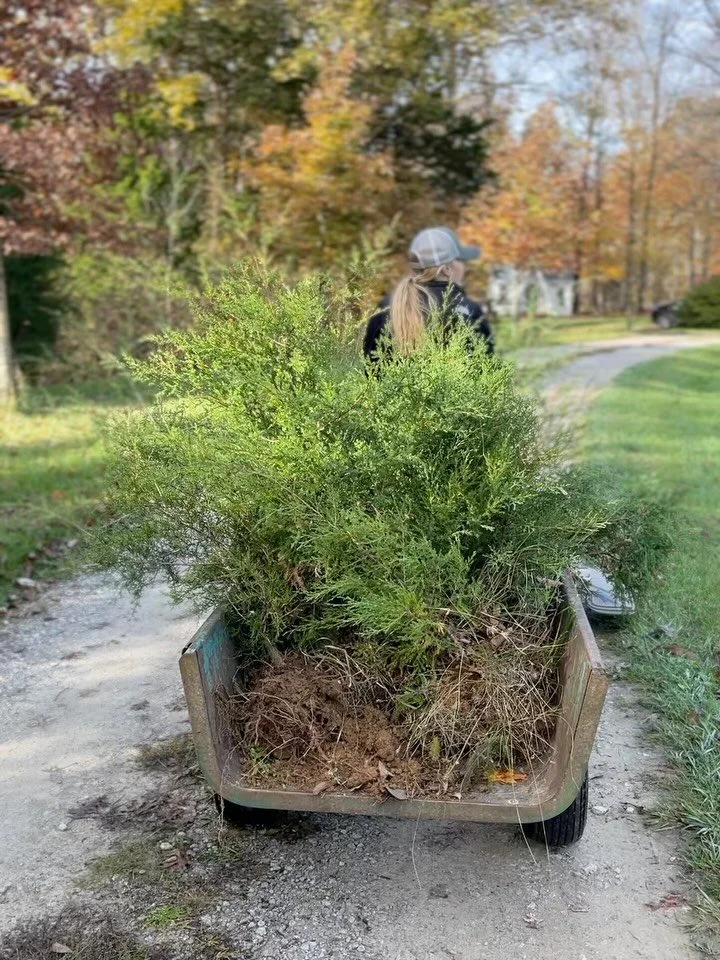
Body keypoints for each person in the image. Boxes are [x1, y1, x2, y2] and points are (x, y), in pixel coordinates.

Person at [363, 226, 494, 365]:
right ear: (446, 269)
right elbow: (487, 368)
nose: (464, 267)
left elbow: (371, 366)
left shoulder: (387, 306)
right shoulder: (469, 310)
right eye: (460, 260)